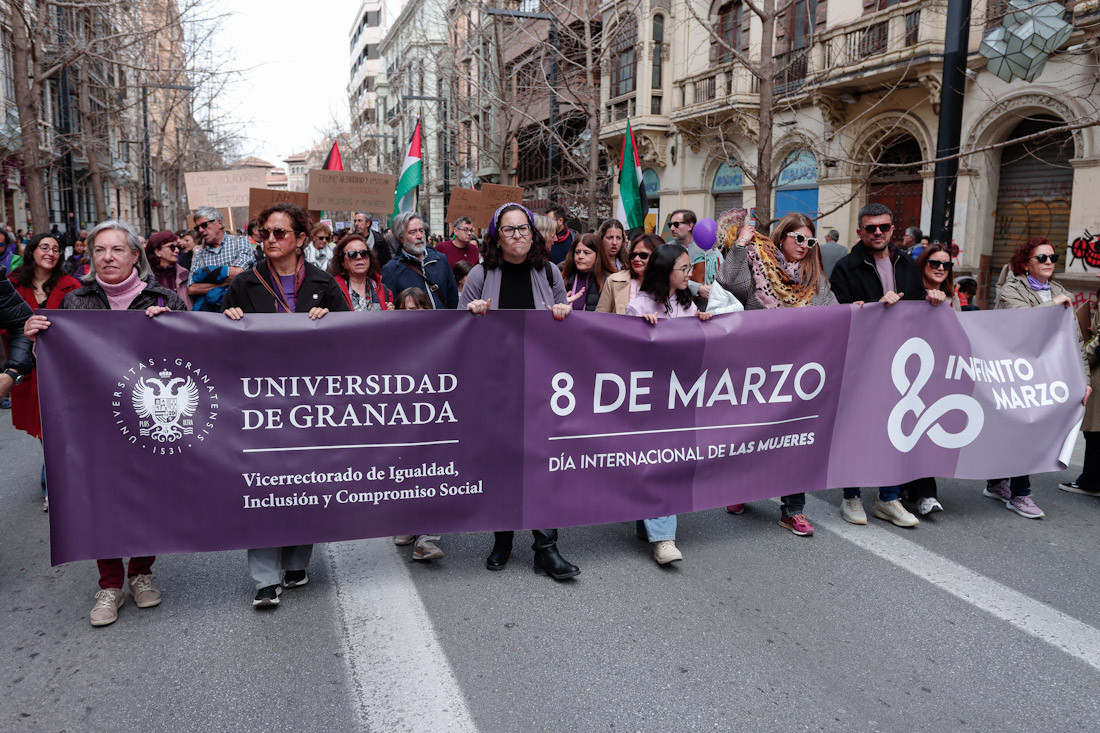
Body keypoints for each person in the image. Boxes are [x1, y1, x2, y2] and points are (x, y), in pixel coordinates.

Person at [24, 219, 187, 627]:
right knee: (101, 497)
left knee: (151, 494)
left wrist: (175, 326)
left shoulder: (164, 297)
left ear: (136, 255)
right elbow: (55, 356)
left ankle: (142, 571)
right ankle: (110, 583)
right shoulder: (76, 302)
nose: (108, 257)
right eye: (100, 250)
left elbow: (192, 356)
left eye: (117, 249)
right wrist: (33, 335)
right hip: (95, 420)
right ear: (91, 256)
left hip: (148, 418)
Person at [222, 203, 349, 607]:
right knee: (263, 485)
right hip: (260, 403)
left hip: (311, 402)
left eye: (280, 233)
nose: (271, 239)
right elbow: (217, 338)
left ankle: (296, 563)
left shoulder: (323, 282)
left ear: (299, 239)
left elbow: (351, 338)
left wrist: (330, 320)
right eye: (265, 232)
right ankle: (264, 578)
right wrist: (228, 318)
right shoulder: (245, 283)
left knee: (304, 484)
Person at [460, 203, 580, 580]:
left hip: (541, 384)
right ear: (497, 236)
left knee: (543, 464)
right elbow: (455, 329)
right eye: (510, 230)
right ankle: (502, 538)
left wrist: (563, 315)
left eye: (524, 229)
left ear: (534, 234)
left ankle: (546, 547)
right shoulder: (481, 274)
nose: (518, 236)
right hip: (497, 386)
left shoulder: (547, 273)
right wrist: (471, 312)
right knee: (504, 463)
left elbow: (566, 327)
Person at [712, 214, 836, 533]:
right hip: (759, 369)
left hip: (798, 374)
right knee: (754, 434)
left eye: (810, 241)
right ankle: (740, 488)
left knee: (795, 440)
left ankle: (793, 510)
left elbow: (834, 317)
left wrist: (860, 311)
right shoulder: (757, 267)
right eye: (799, 238)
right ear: (781, 238)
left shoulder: (817, 280)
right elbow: (726, 281)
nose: (804, 246)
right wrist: (740, 244)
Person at [829, 203, 945, 527]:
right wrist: (872, 310)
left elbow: (920, 307)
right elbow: (837, 315)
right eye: (870, 228)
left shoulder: (907, 264)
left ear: (893, 230)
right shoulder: (845, 268)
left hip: (901, 364)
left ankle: (888, 498)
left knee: (898, 429)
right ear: (860, 232)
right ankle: (850, 498)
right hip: (860, 363)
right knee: (858, 430)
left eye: (883, 227)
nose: (877, 232)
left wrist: (932, 300)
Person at [985, 237, 1091, 518]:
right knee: (1026, 430)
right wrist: (1054, 304)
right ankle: (1021, 494)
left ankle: (997, 482)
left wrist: (1084, 379)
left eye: (1052, 258)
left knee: (1030, 430)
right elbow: (1022, 325)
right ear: (1025, 264)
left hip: (1048, 374)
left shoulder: (1059, 289)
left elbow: (1076, 340)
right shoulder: (1012, 290)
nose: (1048, 263)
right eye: (1041, 258)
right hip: (1018, 373)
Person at [625, 242, 712, 563]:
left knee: (668, 461)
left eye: (689, 268)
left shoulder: (689, 304)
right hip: (651, 398)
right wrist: (640, 331)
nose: (689, 274)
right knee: (658, 460)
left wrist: (704, 324)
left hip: (683, 395)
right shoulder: (638, 307)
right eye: (684, 268)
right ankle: (663, 537)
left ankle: (646, 521)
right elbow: (625, 358)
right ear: (666, 271)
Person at [9, 233, 80, 510]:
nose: (51, 253)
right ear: (32, 251)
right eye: (45, 247)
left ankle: (54, 487)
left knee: (57, 428)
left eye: (56, 249)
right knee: (43, 431)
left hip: (62, 369)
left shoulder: (70, 285)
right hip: (28, 366)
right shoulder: (12, 283)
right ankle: (54, 485)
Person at [380, 212, 458, 309]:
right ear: (401, 238)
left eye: (421, 231)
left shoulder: (440, 260)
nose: (419, 236)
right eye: (413, 232)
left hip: (443, 322)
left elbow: (453, 299)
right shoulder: (391, 269)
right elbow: (392, 308)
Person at [187, 207, 255, 304]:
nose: (201, 230)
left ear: (219, 223)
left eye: (204, 225)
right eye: (197, 228)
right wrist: (226, 280)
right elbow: (192, 289)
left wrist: (207, 277)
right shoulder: (200, 255)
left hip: (241, 309)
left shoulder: (240, 242)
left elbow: (239, 272)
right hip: (215, 315)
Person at [596, 233, 661, 314]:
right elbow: (600, 317)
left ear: (658, 257)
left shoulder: (669, 283)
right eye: (633, 255)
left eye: (643, 255)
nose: (636, 259)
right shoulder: (613, 281)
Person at [328, 234, 393, 311]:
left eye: (363, 253)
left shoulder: (384, 291)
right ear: (343, 262)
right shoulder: (332, 291)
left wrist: (390, 313)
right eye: (352, 254)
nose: (359, 257)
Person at [562, 233, 615, 312]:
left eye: (586, 253)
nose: (580, 256)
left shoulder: (609, 281)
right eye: (577, 252)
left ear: (598, 256)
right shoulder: (563, 277)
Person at [145, 231, 192, 309]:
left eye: (178, 247)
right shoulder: (145, 277)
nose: (177, 250)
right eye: (172, 247)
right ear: (157, 252)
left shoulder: (184, 274)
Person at [916, 244, 961, 312]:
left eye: (946, 265)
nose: (941, 268)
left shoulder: (953, 298)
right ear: (923, 264)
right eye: (934, 263)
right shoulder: (910, 294)